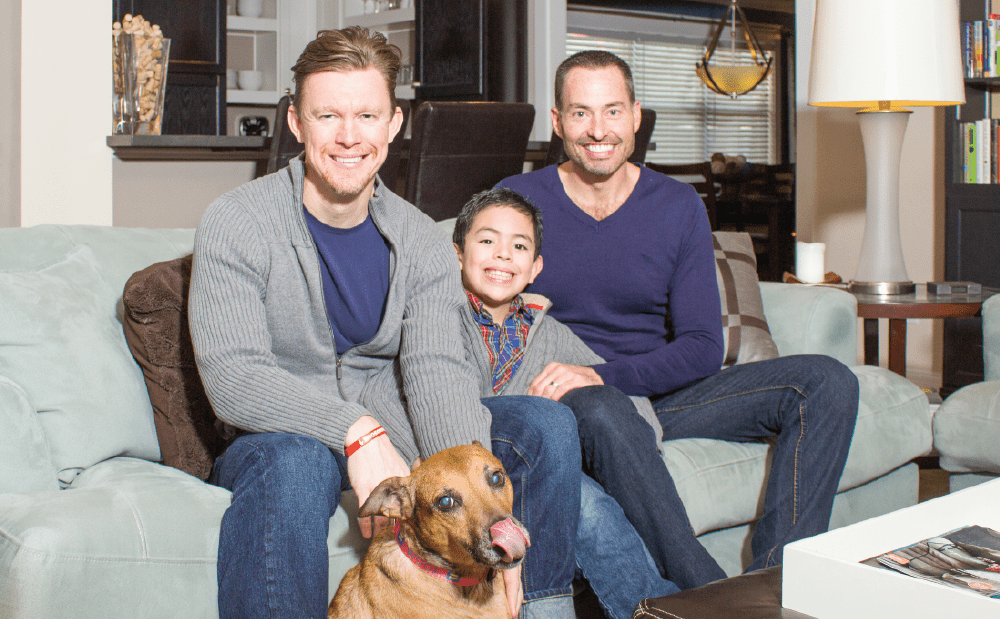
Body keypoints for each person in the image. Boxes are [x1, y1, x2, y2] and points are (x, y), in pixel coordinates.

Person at [189, 27, 581, 619]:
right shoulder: (236, 221)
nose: (350, 137)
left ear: (393, 124)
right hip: (275, 439)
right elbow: (233, 378)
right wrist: (355, 430)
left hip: (395, 440)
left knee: (543, 423)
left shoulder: (422, 240)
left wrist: (487, 515)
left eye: (367, 115)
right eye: (328, 116)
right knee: (293, 462)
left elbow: (436, 369)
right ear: (297, 123)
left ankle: (539, 609)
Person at [497, 50, 860, 591]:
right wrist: (583, 382)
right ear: (557, 121)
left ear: (636, 116)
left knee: (828, 381)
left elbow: (700, 347)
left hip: (655, 395)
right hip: (569, 401)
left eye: (613, 111)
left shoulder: (677, 204)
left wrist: (606, 375)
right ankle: (707, 589)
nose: (599, 130)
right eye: (580, 113)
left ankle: (780, 581)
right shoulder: (518, 201)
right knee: (598, 406)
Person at [451, 186, 680, 617]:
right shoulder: (439, 314)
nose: (503, 255)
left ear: (535, 267)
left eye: (518, 246)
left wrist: (624, 449)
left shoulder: (548, 331)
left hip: (540, 470)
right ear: (458, 253)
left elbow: (634, 409)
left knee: (591, 505)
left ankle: (659, 608)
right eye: (487, 241)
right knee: (578, 489)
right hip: (470, 466)